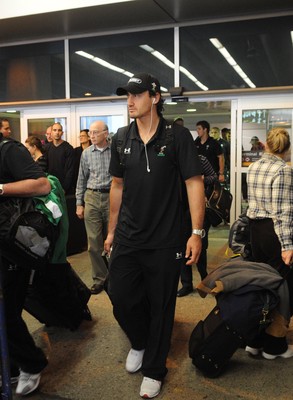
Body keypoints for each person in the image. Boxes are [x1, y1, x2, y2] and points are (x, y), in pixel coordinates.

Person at [104, 73, 205, 399]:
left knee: (162, 305)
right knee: (119, 294)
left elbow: (194, 183)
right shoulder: (121, 138)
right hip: (129, 237)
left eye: (136, 94)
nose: (130, 101)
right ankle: (140, 341)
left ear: (156, 97)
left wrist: (196, 232)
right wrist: (111, 230)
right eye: (126, 96)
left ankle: (154, 368)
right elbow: (117, 186)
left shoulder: (177, 137)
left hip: (166, 239)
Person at [0, 129, 51, 395]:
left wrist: (1, 188)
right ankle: (11, 366)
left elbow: (43, 185)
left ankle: (31, 363)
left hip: (11, 247)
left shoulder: (9, 150)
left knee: (6, 314)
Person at [246, 127, 293, 359]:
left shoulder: (253, 167)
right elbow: (282, 212)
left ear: (266, 144)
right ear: (287, 148)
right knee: (283, 288)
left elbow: (250, 202)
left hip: (256, 231)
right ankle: (274, 346)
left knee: (261, 285)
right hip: (274, 233)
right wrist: (287, 245)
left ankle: (254, 340)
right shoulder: (283, 170)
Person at [76, 121, 111, 295]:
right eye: (90, 133)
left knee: (113, 241)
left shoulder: (116, 152)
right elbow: (81, 179)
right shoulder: (86, 154)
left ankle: (115, 277)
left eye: (95, 132)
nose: (91, 136)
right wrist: (78, 204)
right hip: (91, 197)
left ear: (106, 133)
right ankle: (100, 279)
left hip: (112, 197)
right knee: (94, 242)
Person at [177, 154, 218, 297]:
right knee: (182, 247)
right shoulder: (175, 159)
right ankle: (187, 284)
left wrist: (202, 180)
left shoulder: (200, 159)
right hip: (181, 209)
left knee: (201, 245)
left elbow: (213, 176)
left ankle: (205, 280)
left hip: (200, 207)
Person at [46, 122, 75, 194]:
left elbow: (70, 170)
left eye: (59, 130)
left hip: (64, 187)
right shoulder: (46, 148)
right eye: (55, 130)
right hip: (49, 185)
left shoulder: (68, 148)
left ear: (62, 133)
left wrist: (64, 188)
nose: (57, 132)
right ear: (51, 133)